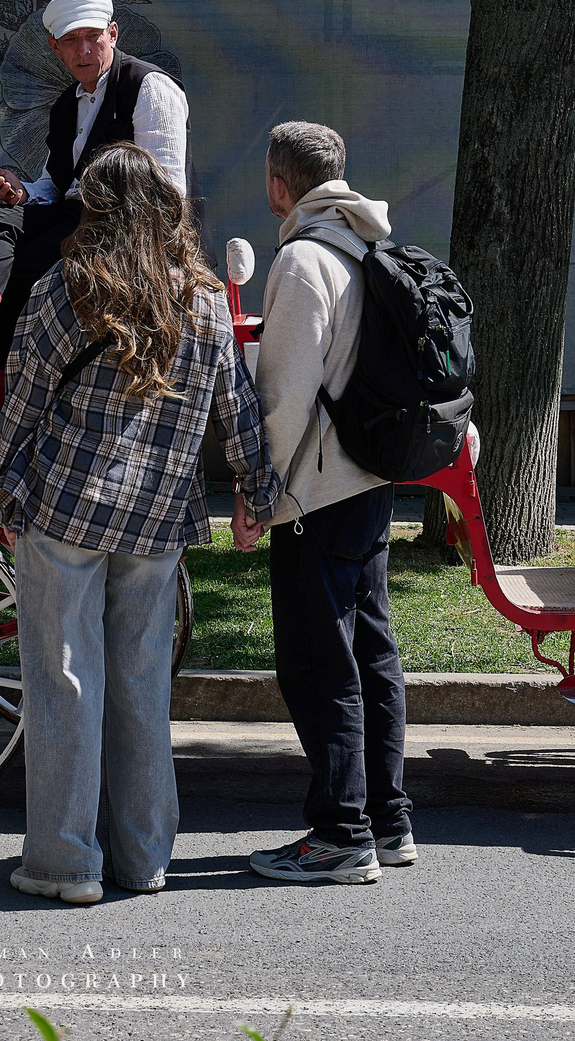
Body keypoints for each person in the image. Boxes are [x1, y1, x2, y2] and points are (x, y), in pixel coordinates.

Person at [0, 142, 277, 906]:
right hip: (157, 517)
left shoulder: (67, 287)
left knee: (64, 685)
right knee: (142, 687)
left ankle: (63, 862)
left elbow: (21, 403)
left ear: (97, 211)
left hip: (65, 508)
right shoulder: (208, 301)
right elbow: (238, 410)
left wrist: (6, 483)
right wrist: (257, 489)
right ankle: (145, 857)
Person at [230, 120, 415, 885]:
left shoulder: (304, 259)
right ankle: (388, 819)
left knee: (319, 660)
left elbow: (283, 398)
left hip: (317, 489)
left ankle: (341, 833)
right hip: (370, 478)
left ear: (279, 184)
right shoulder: (369, 242)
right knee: (372, 651)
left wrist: (255, 490)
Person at [0, 0, 189, 451]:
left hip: (125, 226)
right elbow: (56, 183)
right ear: (55, 47)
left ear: (113, 34)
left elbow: (166, 192)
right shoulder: (67, 102)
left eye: (93, 38)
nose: (84, 50)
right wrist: (22, 191)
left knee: (24, 270)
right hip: (74, 215)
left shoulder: (149, 87)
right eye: (72, 41)